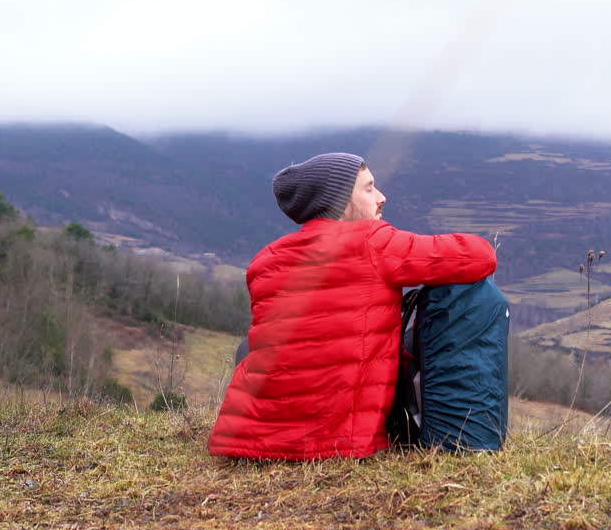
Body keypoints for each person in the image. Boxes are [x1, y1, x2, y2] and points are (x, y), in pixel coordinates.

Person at [207, 152, 497, 461]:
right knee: (441, 321)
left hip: (253, 443)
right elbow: (481, 256)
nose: (382, 197)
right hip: (339, 443)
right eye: (369, 189)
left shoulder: (265, 260)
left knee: (256, 343)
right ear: (341, 202)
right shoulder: (374, 242)